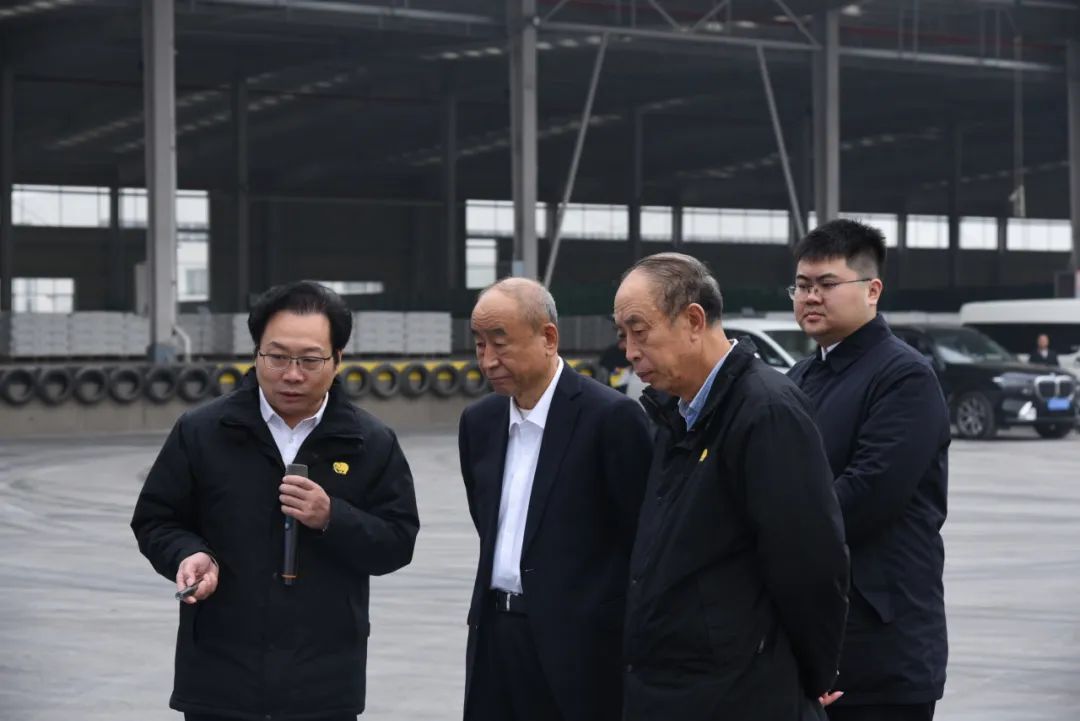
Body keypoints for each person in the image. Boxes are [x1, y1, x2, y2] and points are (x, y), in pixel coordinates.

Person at [131, 281, 420, 721]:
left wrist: (332, 517)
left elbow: (398, 541)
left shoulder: (369, 442)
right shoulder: (203, 431)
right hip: (220, 677)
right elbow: (156, 520)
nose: (292, 374)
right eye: (278, 357)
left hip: (323, 683)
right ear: (257, 354)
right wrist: (187, 554)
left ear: (338, 360)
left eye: (310, 360)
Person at [613, 253, 849, 721]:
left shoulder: (765, 411)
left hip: (737, 692)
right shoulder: (675, 414)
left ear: (693, 320)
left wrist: (811, 675)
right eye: (623, 335)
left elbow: (810, 563)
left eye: (639, 332)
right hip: (674, 687)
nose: (630, 351)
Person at [460, 277, 652, 721]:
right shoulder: (479, 423)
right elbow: (485, 520)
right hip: (495, 638)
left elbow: (641, 543)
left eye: (500, 344)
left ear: (548, 338)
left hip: (579, 649)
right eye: (480, 344)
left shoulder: (610, 418)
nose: (488, 361)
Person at [787, 219, 949, 721]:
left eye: (826, 284)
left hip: (881, 645)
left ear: (872, 290)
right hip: (819, 637)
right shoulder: (801, 377)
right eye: (802, 285)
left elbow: (869, 493)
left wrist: (771, 526)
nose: (811, 297)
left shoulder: (904, 377)